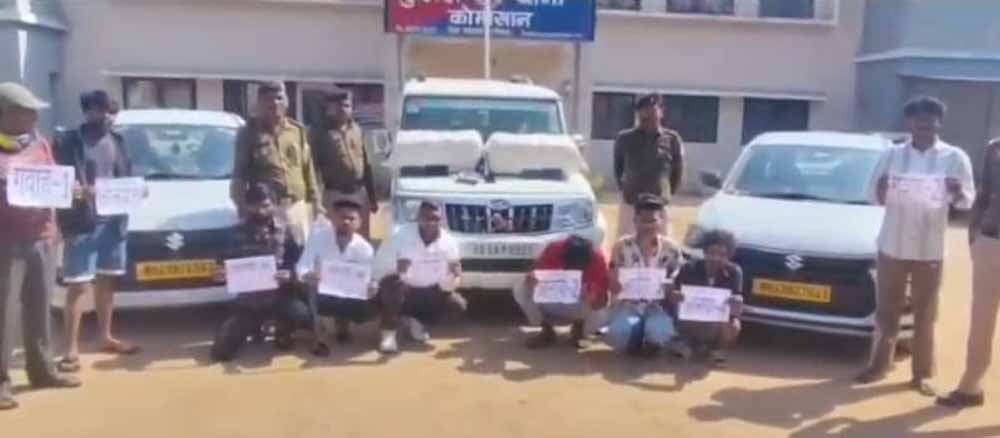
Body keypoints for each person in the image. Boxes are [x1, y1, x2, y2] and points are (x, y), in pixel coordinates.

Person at [856, 96, 976, 396]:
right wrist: (882, 187)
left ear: (939, 123)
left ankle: (921, 375)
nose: (924, 125)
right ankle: (878, 366)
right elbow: (871, 195)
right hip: (892, 245)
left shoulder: (954, 157)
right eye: (918, 120)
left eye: (930, 120)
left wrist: (956, 191)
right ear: (909, 123)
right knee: (887, 310)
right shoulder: (892, 155)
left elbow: (967, 201)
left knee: (926, 312)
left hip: (929, 248)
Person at [0, 82, 81, 410]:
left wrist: (70, 189)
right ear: (5, 113)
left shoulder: (40, 143)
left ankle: (42, 370)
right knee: (4, 313)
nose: (34, 118)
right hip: (6, 242)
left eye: (35, 112)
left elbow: (53, 180)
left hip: (42, 237)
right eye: (27, 112)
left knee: (39, 306)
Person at [54, 90, 139, 373]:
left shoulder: (118, 141)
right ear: (87, 111)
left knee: (106, 282)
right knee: (79, 286)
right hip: (82, 223)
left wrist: (138, 190)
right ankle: (70, 350)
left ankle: (105, 336)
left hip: (114, 223)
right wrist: (74, 191)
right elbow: (55, 180)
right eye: (101, 111)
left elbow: (125, 177)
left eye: (111, 112)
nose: (107, 117)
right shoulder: (68, 142)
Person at [210, 183, 312, 362]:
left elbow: (300, 262)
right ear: (246, 206)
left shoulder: (287, 231)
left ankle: (282, 329)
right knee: (220, 353)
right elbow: (221, 266)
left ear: (274, 205)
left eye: (265, 205)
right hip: (249, 302)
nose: (260, 210)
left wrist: (290, 275)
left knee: (303, 315)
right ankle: (253, 328)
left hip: (280, 297)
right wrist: (220, 276)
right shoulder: (235, 234)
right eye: (255, 206)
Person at [937, 136, 1000, 408]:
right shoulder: (995, 148)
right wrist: (973, 232)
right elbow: (984, 193)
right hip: (991, 240)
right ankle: (970, 387)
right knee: (981, 320)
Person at [230, 80, 322, 247]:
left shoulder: (297, 130)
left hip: (297, 207)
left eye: (279, 98)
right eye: (268, 99)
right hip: (269, 210)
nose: (274, 103)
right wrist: (243, 207)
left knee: (301, 254)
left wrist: (316, 204)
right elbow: (240, 174)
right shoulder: (248, 133)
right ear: (259, 104)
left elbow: (308, 169)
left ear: (287, 102)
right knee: (273, 255)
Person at [376, 201, 466, 353]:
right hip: (404, 289)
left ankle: (417, 322)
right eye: (426, 218)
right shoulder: (399, 235)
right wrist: (398, 269)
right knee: (392, 283)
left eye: (435, 218)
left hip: (430, 291)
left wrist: (454, 277)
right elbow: (379, 265)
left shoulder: (449, 242)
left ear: (442, 220)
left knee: (457, 305)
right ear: (418, 218)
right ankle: (389, 332)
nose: (431, 222)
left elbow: (450, 286)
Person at [296, 198, 378, 356]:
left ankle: (343, 324)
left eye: (351, 218)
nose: (346, 222)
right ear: (333, 218)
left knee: (373, 299)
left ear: (359, 223)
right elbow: (302, 266)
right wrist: (308, 275)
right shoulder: (318, 238)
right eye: (342, 217)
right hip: (321, 292)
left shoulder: (365, 248)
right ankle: (319, 337)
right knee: (310, 286)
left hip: (351, 296)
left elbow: (371, 278)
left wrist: (372, 287)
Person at [606, 194, 683, 356]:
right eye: (643, 221)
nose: (648, 226)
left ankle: (652, 337)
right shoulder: (621, 247)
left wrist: (672, 290)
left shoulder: (672, 249)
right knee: (619, 335)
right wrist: (614, 283)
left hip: (658, 307)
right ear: (635, 221)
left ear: (661, 221)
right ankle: (635, 335)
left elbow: (678, 281)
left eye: (653, 221)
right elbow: (612, 283)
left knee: (658, 333)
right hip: (628, 306)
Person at [513, 235, 610, 349]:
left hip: (581, 302)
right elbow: (535, 271)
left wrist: (593, 296)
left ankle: (579, 330)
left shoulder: (598, 257)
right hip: (552, 299)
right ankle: (547, 330)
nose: (576, 268)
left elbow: (603, 297)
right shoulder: (554, 249)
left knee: (601, 310)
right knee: (521, 288)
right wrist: (531, 277)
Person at [613, 93, 685, 239]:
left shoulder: (672, 139)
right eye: (644, 115)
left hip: (659, 206)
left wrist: (666, 194)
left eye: (653, 112)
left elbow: (677, 172)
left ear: (661, 113)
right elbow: (618, 169)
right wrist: (626, 190)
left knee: (661, 248)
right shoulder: (624, 138)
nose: (649, 119)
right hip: (631, 205)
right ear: (638, 115)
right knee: (627, 247)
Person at [310, 88, 379, 240]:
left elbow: (366, 164)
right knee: (334, 238)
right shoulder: (319, 133)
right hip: (334, 194)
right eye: (338, 106)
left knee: (360, 238)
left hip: (359, 193)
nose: (343, 109)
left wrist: (372, 197)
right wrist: (317, 201)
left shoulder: (357, 130)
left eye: (347, 106)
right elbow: (313, 168)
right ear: (329, 108)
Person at [671, 229, 743, 366]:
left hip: (717, 321)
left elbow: (737, 296)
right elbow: (674, 294)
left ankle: (716, 349)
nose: (716, 258)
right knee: (676, 311)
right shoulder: (689, 268)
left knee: (734, 325)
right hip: (689, 320)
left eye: (722, 254)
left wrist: (737, 301)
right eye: (712, 253)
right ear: (704, 252)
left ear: (729, 256)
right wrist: (676, 296)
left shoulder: (735, 272)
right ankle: (684, 342)